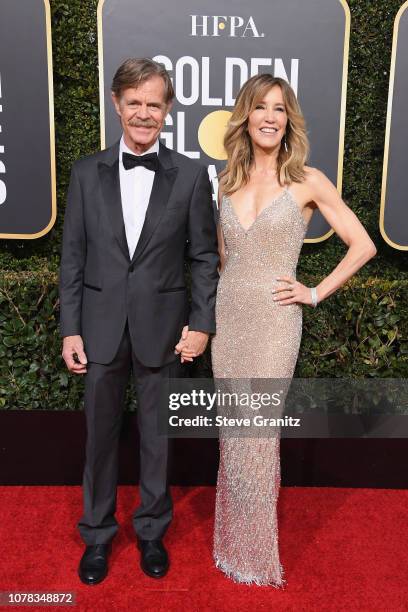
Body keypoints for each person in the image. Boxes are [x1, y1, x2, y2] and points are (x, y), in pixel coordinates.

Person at [179, 74, 376, 586]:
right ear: (244, 116)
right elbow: (219, 261)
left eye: (280, 108)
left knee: (258, 434)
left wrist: (312, 292)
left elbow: (363, 245)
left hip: (273, 322)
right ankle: (231, 545)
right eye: (261, 107)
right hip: (229, 320)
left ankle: (255, 555)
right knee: (233, 434)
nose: (270, 116)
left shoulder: (308, 180)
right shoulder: (220, 181)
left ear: (289, 120)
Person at [59, 58, 219, 585]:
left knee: (158, 438)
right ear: (117, 103)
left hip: (165, 329)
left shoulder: (193, 175)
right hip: (99, 328)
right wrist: (70, 328)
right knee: (98, 438)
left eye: (155, 104)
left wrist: (201, 324)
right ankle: (98, 535)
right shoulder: (85, 172)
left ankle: (151, 530)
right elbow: (74, 258)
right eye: (135, 103)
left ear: (168, 110)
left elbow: (203, 258)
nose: (144, 113)